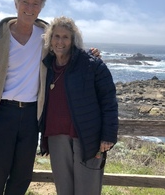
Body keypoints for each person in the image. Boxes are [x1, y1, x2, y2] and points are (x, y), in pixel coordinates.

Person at [0, 0, 100, 195]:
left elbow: (65, 49)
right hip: (3, 114)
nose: (30, 8)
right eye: (25, 2)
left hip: (33, 116)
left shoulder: (45, 37)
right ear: (16, 3)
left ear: (41, 7)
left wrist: (88, 55)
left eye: (35, 4)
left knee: (22, 176)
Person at [39, 16, 118, 195]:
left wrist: (108, 135)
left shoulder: (91, 64)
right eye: (56, 36)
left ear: (73, 40)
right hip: (56, 137)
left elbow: (109, 100)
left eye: (65, 37)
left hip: (87, 138)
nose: (60, 41)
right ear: (50, 39)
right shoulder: (47, 66)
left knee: (87, 190)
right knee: (64, 190)